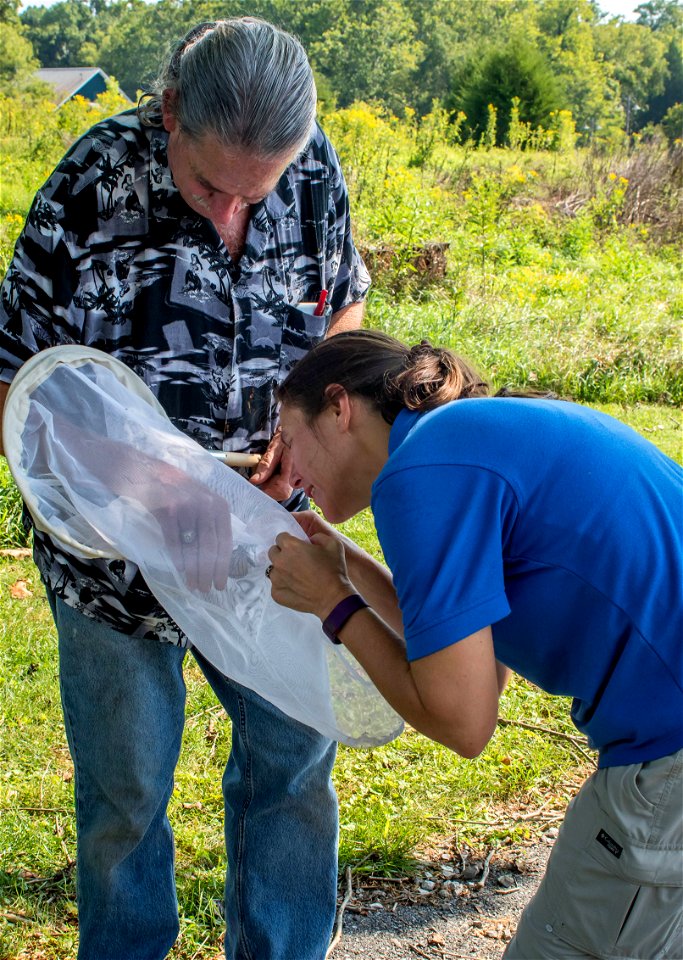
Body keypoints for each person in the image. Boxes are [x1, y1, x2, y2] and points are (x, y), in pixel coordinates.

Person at [0, 18, 370, 960]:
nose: (229, 213)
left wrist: (306, 430)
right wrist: (144, 489)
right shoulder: (92, 181)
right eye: (209, 186)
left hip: (266, 539)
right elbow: (15, 377)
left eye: (260, 193)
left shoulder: (315, 166)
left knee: (292, 768)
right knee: (125, 799)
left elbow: (344, 301)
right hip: (117, 566)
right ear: (168, 113)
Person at [266, 329, 683, 960]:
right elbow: (477, 667)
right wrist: (345, 565)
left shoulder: (422, 473)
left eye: (291, 442)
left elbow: (465, 721)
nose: (292, 475)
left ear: (339, 407)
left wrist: (334, 603)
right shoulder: (463, 439)